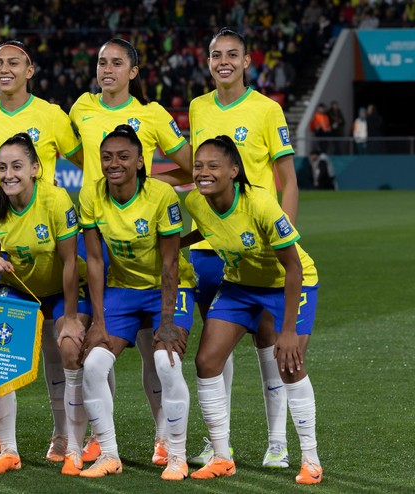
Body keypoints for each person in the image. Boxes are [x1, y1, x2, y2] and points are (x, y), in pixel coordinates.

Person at [0, 40, 85, 462]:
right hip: (3, 246)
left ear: (30, 69)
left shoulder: (51, 115)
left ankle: (66, 437)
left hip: (45, 243)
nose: (3, 69)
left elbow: (89, 163)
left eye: (13, 62)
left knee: (57, 350)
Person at [68, 37, 192, 466]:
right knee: (94, 349)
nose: (107, 69)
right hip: (100, 239)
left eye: (117, 62)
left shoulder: (151, 114)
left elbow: (191, 165)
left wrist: (154, 192)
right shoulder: (80, 109)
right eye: (101, 61)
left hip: (146, 242)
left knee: (155, 353)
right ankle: (102, 440)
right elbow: (68, 154)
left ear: (133, 72)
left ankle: (165, 437)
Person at [188, 28, 299, 469]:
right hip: (209, 245)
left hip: (259, 245)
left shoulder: (267, 109)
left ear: (247, 61)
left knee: (269, 341)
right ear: (209, 61)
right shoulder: (198, 107)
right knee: (217, 342)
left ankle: (278, 443)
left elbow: (287, 177)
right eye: (216, 55)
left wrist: (286, 232)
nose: (223, 62)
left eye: (232, 55)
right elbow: (202, 172)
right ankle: (221, 443)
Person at [184, 135, 322, 485]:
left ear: (234, 170)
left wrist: (287, 331)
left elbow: (293, 268)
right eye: (199, 165)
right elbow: (209, 227)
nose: (203, 172)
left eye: (213, 166)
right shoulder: (195, 202)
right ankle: (221, 457)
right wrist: (169, 242)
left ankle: (310, 459)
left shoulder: (261, 204)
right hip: (239, 285)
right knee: (207, 362)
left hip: (289, 284)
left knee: (289, 366)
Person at [0, 133, 91, 474]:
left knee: (69, 349)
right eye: (2, 167)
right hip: (19, 290)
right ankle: (8, 451)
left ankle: (70, 443)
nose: (9, 174)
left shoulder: (56, 200)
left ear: (35, 169)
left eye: (16, 166)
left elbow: (71, 261)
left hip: (61, 291)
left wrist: (70, 317)